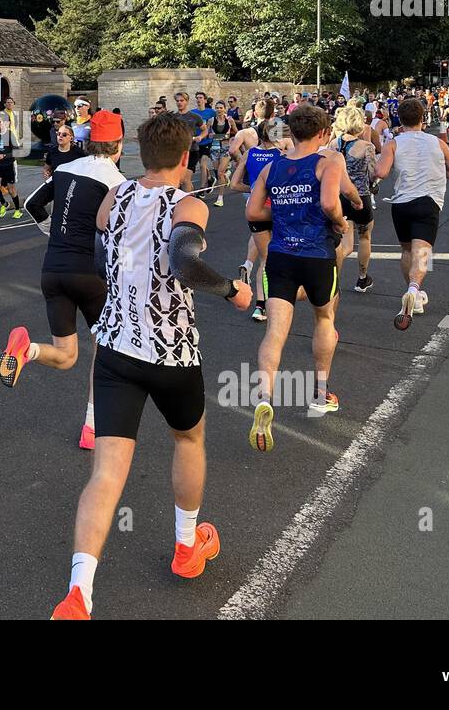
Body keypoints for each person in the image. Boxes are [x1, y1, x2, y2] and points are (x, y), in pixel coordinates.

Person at [49, 113, 252, 620]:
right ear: (186, 159)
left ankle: (80, 591)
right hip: (171, 353)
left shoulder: (114, 199)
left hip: (116, 350)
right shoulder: (187, 204)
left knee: (107, 472)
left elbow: (101, 262)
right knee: (188, 439)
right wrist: (231, 290)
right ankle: (187, 545)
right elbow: (184, 260)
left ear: (140, 154)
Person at [3, 110, 126, 451]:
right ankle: (91, 425)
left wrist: (53, 231)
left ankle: (26, 350)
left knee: (66, 354)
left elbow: (32, 203)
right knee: (106, 349)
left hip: (53, 269)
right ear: (118, 145)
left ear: (87, 142)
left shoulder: (65, 169)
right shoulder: (117, 181)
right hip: (89, 273)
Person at [245, 104, 361, 452]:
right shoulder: (329, 161)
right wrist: (341, 221)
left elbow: (253, 211)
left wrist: (282, 210)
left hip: (281, 254)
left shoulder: (273, 165)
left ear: (291, 133)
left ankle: (265, 396)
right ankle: (321, 392)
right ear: (325, 133)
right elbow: (329, 203)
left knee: (275, 332)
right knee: (325, 318)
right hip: (317, 254)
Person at [372, 97, 449, 330]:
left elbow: (381, 172)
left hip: (402, 202)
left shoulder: (393, 143)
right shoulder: (437, 142)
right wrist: (438, 175)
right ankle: (415, 288)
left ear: (399, 120)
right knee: (423, 252)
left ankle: (414, 293)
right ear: (423, 118)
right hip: (429, 201)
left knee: (406, 250)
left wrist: (374, 162)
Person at [229, 115, 289, 322]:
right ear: (276, 135)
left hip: (253, 209)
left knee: (264, 258)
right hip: (276, 209)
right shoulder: (282, 156)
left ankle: (260, 306)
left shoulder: (250, 154)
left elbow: (234, 184)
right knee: (276, 257)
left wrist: (255, 191)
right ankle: (276, 301)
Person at [332, 106, 377, 294]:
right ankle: (362, 278)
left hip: (338, 196)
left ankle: (333, 281)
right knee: (365, 236)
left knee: (344, 243)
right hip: (360, 196)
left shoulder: (333, 144)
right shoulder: (366, 146)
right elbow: (373, 174)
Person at [0, 110, 23, 218]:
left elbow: (17, 152)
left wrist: (3, 156)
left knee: (11, 190)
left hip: (9, 166)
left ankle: (18, 210)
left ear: (5, 123)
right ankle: (5, 203)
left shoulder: (10, 135)